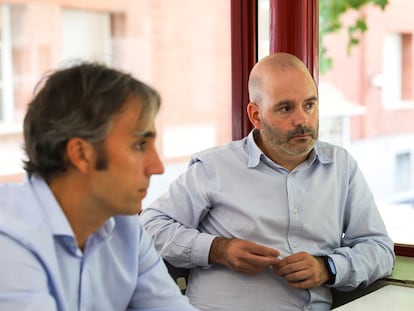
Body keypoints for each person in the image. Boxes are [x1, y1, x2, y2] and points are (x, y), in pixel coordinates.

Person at [140, 52, 396, 311]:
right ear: (256, 115)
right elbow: (149, 226)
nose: (302, 120)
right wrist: (218, 249)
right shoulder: (214, 168)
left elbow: (380, 250)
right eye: (285, 108)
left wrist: (328, 267)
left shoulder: (342, 166)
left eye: (309, 105)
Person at [0, 62, 199, 311]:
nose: (157, 167)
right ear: (81, 154)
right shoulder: (9, 236)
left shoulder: (125, 227)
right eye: (139, 146)